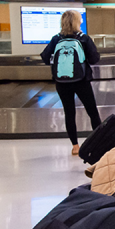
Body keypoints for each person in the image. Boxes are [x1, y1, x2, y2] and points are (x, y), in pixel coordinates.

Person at [41, 9, 103, 157]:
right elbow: (94, 59)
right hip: (81, 80)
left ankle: (75, 146)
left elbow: (44, 57)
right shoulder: (83, 38)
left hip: (62, 81)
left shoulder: (56, 38)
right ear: (77, 22)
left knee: (69, 112)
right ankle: (99, 142)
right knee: (92, 111)